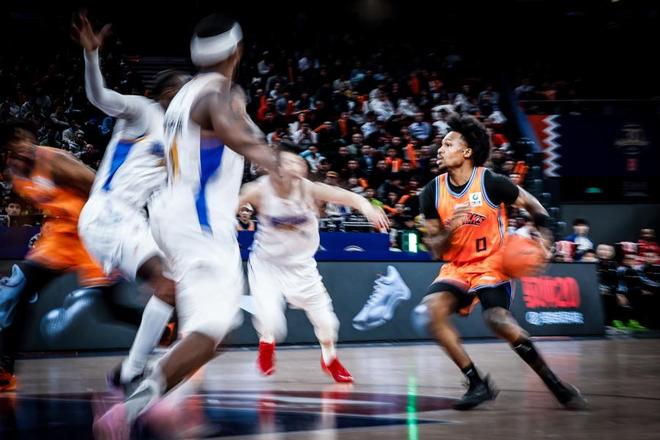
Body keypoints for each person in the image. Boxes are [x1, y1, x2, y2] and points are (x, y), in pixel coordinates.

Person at [93, 14, 279, 437]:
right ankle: (132, 401)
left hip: (170, 216)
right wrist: (267, 157)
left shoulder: (181, 97)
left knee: (211, 326)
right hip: (201, 223)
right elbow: (229, 128)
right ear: (237, 51)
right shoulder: (219, 91)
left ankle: (143, 381)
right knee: (209, 331)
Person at [416, 114, 586, 410]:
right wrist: (450, 229)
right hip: (457, 266)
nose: (439, 149)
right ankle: (476, 383)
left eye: (447, 144)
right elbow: (435, 250)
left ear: (467, 151)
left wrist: (545, 240)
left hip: (492, 263)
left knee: (497, 320)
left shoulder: (491, 182)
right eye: (441, 145)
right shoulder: (432, 191)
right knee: (430, 313)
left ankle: (553, 381)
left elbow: (534, 205)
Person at [72, 13, 189, 391]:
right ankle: (135, 369)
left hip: (132, 219)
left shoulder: (177, 143)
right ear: (167, 94)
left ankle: (131, 371)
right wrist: (91, 56)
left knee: (173, 287)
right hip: (108, 211)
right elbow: (100, 97)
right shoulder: (143, 111)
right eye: (183, 90)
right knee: (166, 285)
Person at [0, 119, 133, 392]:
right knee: (20, 293)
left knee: (109, 307)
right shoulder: (16, 173)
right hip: (58, 240)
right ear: (8, 149)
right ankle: (5, 369)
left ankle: (163, 328)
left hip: (88, 234)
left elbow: (99, 188)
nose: (23, 144)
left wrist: (116, 227)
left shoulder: (55, 160)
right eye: (15, 141)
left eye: (26, 138)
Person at [239, 149, 389, 382]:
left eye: (299, 162)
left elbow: (348, 197)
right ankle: (266, 343)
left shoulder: (309, 189)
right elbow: (228, 208)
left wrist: (368, 208)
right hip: (267, 265)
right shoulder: (258, 189)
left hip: (302, 267)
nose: (296, 166)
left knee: (328, 324)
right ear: (276, 167)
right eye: (289, 162)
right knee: (271, 322)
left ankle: (329, 359)